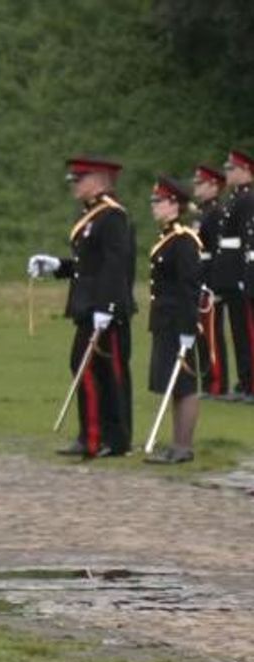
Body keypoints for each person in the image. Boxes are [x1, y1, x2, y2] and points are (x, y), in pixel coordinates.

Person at [28, 156, 136, 458]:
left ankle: (109, 439)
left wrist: (108, 306)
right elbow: (89, 266)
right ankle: (94, 435)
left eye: (80, 179)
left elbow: (116, 266)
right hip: (88, 305)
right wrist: (57, 266)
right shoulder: (93, 215)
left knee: (105, 372)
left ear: (100, 180)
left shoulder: (112, 216)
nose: (75, 185)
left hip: (104, 310)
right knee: (88, 368)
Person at [144, 176, 203, 464]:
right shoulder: (167, 237)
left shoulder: (183, 241)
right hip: (165, 321)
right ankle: (177, 444)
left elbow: (189, 288)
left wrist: (188, 328)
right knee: (173, 383)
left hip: (180, 322)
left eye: (158, 201)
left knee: (185, 385)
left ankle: (183, 446)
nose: (153, 206)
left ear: (173, 204)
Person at [214, 149, 254, 401]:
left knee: (248, 332)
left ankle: (251, 383)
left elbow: (247, 243)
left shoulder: (248, 199)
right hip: (231, 274)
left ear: (246, 171)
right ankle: (244, 381)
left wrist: (243, 276)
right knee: (239, 332)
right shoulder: (235, 198)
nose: (228, 173)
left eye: (232, 169)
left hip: (242, 274)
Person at [192, 164, 227, 398]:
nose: (196, 187)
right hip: (199, 276)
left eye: (200, 183)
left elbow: (217, 252)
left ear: (214, 186)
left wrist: (214, 284)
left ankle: (216, 383)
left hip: (209, 280)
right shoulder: (203, 212)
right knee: (202, 334)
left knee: (212, 335)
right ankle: (207, 380)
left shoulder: (214, 213)